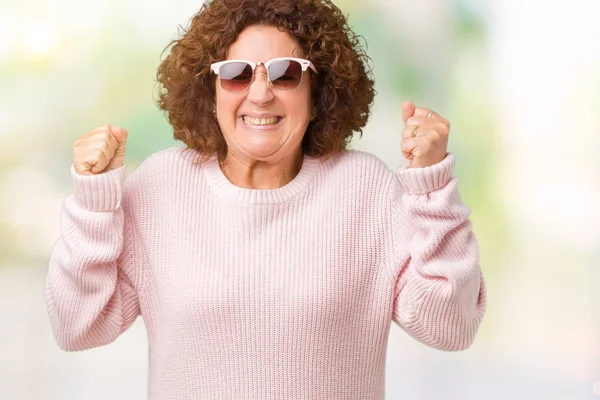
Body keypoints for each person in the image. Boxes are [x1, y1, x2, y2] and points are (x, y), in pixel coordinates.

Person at [45, 0, 486, 398]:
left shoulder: (364, 190)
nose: (259, 93)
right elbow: (77, 325)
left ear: (317, 94)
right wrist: (93, 202)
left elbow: (451, 326)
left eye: (285, 72)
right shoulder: (161, 186)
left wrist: (430, 186)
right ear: (210, 90)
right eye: (236, 74)